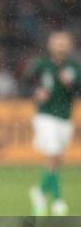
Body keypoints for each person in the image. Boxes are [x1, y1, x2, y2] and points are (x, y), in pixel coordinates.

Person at [27, 31, 79, 216]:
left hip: (65, 117)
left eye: (64, 42)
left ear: (70, 45)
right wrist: (36, 92)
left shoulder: (74, 67)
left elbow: (78, 89)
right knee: (52, 155)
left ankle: (40, 192)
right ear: (50, 45)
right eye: (58, 42)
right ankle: (57, 201)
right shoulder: (42, 65)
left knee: (56, 160)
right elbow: (27, 82)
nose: (61, 45)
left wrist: (71, 84)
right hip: (46, 116)